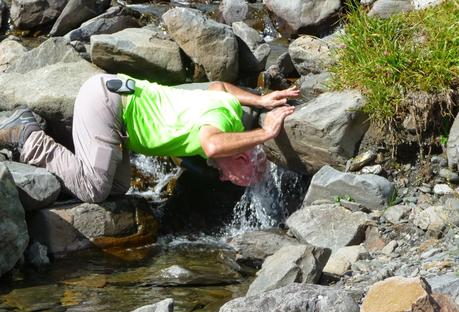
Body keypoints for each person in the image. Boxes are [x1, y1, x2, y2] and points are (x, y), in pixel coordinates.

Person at [0, 74, 299, 203]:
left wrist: (259, 101)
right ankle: (27, 136)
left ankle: (64, 174)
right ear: (242, 155)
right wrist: (267, 132)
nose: (224, 179)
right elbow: (212, 143)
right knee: (95, 190)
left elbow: (219, 85)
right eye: (236, 177)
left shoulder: (229, 108)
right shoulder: (217, 126)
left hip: (114, 102)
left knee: (119, 187)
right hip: (108, 107)